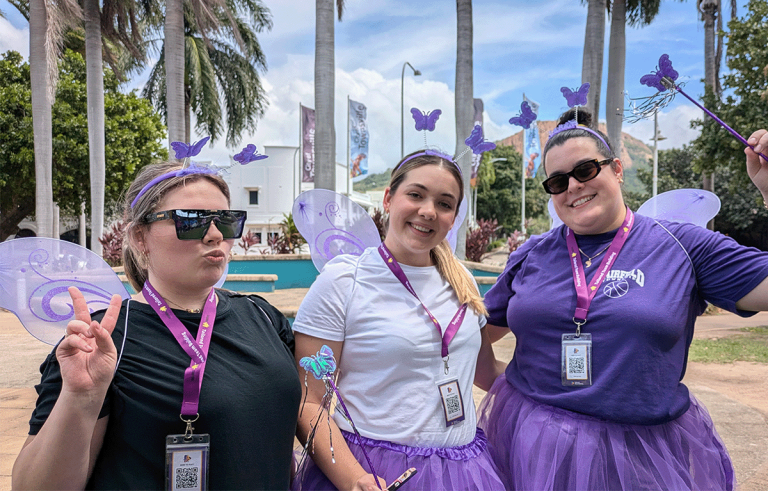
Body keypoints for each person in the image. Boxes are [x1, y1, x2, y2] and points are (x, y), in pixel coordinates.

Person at [478, 109, 768, 491]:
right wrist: (509, 387)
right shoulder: (531, 254)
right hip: (532, 449)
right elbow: (476, 333)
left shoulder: (683, 244)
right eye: (557, 181)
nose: (573, 187)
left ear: (616, 168)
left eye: (585, 170)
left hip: (641, 454)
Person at [12, 161, 302, 490]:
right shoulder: (102, 342)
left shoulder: (262, 316)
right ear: (140, 236)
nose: (215, 235)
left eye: (225, 220)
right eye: (191, 221)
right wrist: (81, 398)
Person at [292, 150, 506, 491]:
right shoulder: (345, 280)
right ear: (389, 198)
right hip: (374, 469)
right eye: (416, 195)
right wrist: (354, 480)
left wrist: (551, 382)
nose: (428, 211)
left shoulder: (461, 278)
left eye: (445, 203)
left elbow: (484, 371)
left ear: (453, 218)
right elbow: (310, 400)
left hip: (464, 470)